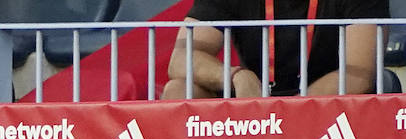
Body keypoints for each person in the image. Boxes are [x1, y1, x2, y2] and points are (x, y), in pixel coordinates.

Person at [164, 0, 388, 99]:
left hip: (326, 103)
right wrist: (235, 77)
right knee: (179, 90)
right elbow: (181, 59)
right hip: (253, 100)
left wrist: (288, 113)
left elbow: (360, 74)